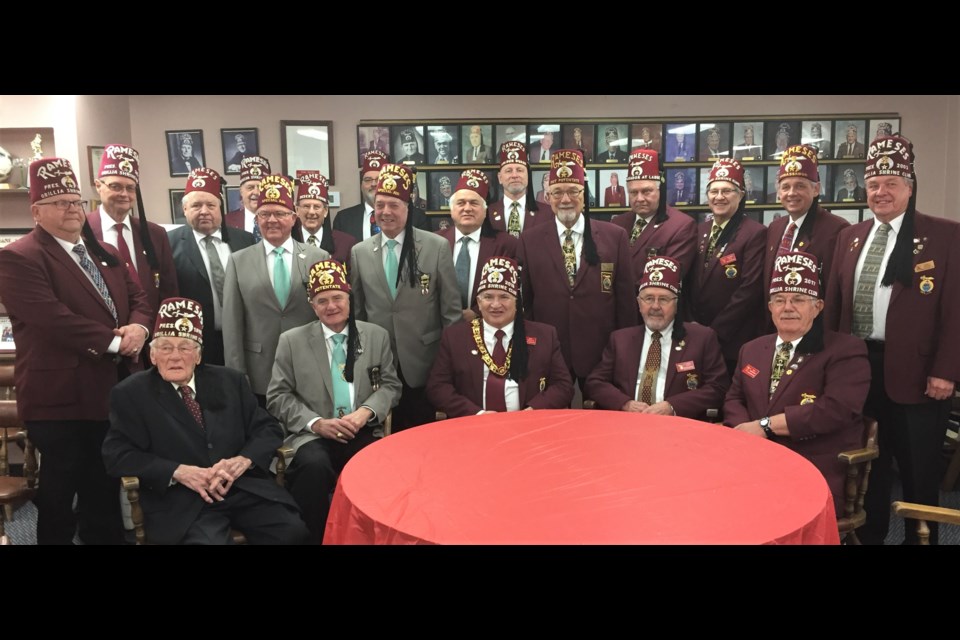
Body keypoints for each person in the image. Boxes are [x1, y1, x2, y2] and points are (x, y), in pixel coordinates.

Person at [0, 157, 153, 544]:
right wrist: (118, 341)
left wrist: (138, 326)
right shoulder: (19, 257)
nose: (72, 209)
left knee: (103, 486)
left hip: (110, 391)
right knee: (59, 492)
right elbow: (53, 319)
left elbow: (138, 295)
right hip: (60, 400)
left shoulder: (99, 250)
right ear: (36, 211)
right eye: (60, 203)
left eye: (75, 201)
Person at [825, 134, 960, 544]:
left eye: (891, 184)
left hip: (919, 375)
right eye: (873, 185)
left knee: (919, 470)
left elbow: (955, 311)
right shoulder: (850, 237)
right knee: (870, 467)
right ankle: (871, 538)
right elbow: (834, 308)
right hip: (859, 370)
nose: (880, 193)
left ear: (909, 187)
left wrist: (945, 371)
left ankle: (924, 539)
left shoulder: (945, 235)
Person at [103, 297, 309, 545]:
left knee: (293, 533)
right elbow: (117, 454)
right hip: (183, 501)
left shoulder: (230, 381)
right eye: (166, 348)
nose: (175, 357)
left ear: (198, 355)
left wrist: (244, 459)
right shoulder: (131, 393)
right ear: (153, 355)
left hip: (242, 489)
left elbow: (267, 428)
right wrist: (177, 472)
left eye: (185, 348)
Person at [724, 250, 869, 517]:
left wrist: (765, 427)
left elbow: (835, 410)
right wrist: (745, 433)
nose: (787, 307)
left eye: (798, 300)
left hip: (812, 464)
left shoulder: (845, 350)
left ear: (818, 307)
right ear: (770, 307)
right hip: (750, 459)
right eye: (779, 300)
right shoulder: (752, 349)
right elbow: (734, 398)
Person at [267, 260, 401, 543]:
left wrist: (365, 412)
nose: (331, 306)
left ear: (349, 298)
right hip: (312, 435)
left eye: (337, 298)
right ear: (312, 306)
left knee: (375, 466)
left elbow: (390, 385)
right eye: (322, 301)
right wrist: (316, 423)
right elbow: (277, 396)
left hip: (361, 429)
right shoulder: (291, 341)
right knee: (313, 466)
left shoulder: (376, 335)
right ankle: (314, 537)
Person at [350, 162, 461, 430]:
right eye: (380, 205)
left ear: (408, 208)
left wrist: (452, 364)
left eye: (393, 205)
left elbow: (451, 312)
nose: (385, 212)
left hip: (424, 363)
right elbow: (359, 313)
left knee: (421, 439)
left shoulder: (435, 246)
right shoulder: (359, 252)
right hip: (378, 364)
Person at [517, 149, 636, 391]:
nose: (565, 199)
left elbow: (625, 301)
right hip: (549, 351)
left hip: (601, 352)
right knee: (550, 421)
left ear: (584, 194)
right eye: (558, 192)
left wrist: (624, 350)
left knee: (602, 423)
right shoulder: (529, 240)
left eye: (573, 191)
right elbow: (526, 302)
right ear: (548, 196)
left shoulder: (615, 237)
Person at [222, 174, 329, 406]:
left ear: (293, 218)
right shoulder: (239, 261)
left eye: (279, 213)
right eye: (264, 214)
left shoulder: (318, 258)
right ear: (256, 219)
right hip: (259, 370)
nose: (272, 220)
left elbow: (328, 317)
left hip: (308, 367)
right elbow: (232, 324)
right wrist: (237, 376)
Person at [428, 255, 574, 416]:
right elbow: (438, 387)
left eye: (504, 297)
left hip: (529, 426)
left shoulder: (545, 336)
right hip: (473, 428)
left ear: (517, 302)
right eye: (488, 297)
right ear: (479, 301)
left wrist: (533, 411)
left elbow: (564, 386)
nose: (495, 305)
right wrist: (476, 414)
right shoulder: (455, 337)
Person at [585, 255, 729, 419]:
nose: (655, 306)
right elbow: (595, 382)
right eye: (648, 298)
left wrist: (672, 406)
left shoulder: (702, 338)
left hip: (679, 427)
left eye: (663, 299)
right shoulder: (620, 339)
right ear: (639, 303)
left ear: (676, 304)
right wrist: (624, 403)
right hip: (627, 424)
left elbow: (718, 387)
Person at [167, 167, 256, 366]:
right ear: (185, 209)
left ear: (220, 208)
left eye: (211, 205)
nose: (204, 211)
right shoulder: (168, 244)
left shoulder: (244, 240)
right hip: (195, 344)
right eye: (196, 205)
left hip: (244, 340)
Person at [687, 159, 767, 374]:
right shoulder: (698, 230)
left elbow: (749, 290)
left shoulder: (754, 233)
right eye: (714, 191)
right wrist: (691, 325)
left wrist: (715, 332)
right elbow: (685, 279)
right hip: (695, 335)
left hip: (732, 339)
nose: (719, 197)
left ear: (741, 195)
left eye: (727, 191)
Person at [88, 143, 179, 319]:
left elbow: (169, 292)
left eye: (130, 188)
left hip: (149, 335)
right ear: (98, 185)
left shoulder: (155, 234)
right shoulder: (81, 231)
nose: (124, 194)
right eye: (116, 186)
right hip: (103, 336)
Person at [764, 144, 850, 325]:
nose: (791, 193)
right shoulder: (775, 228)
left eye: (800, 186)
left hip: (814, 331)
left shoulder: (837, 230)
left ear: (816, 189)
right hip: (776, 327)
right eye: (785, 187)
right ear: (778, 192)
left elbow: (835, 293)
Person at [437, 170, 519, 322]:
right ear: (451, 208)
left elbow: (513, 291)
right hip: (440, 328)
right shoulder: (434, 242)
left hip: (487, 328)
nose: (467, 208)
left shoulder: (506, 245)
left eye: (474, 203)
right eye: (461, 203)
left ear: (485, 210)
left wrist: (476, 312)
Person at [610, 148, 698, 284]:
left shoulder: (681, 226)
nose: (639, 198)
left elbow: (668, 279)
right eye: (633, 192)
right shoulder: (617, 223)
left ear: (660, 190)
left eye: (646, 191)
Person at [333, 151, 430, 244]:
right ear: (361, 185)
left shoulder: (416, 217)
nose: (374, 184)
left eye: (379, 179)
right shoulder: (343, 219)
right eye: (368, 180)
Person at [294, 170, 355, 267]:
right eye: (306, 206)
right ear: (297, 210)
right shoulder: (288, 242)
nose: (311, 212)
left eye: (317, 207)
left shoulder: (345, 243)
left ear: (326, 211)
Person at [487, 141, 548, 237]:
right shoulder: (487, 214)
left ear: (527, 175)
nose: (514, 175)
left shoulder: (547, 214)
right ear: (500, 178)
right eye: (508, 171)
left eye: (519, 170)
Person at [225, 155, 270, 241]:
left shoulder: (279, 220)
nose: (256, 192)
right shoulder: (227, 222)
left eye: (261, 188)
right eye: (250, 187)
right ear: (241, 191)